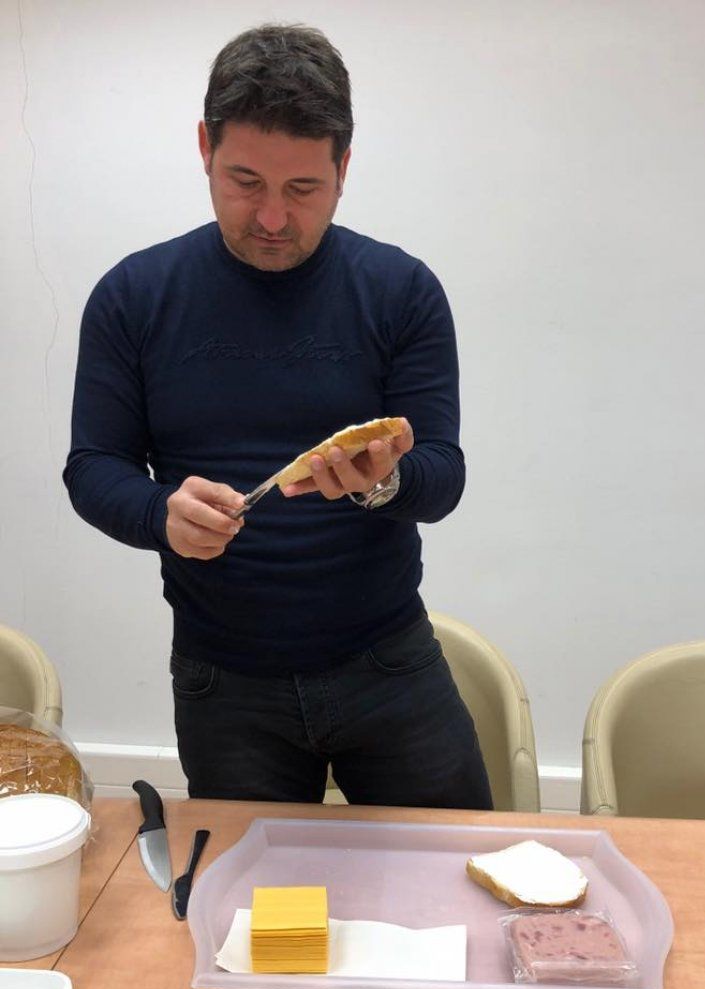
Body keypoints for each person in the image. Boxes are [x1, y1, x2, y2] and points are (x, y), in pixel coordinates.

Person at [64, 23, 493, 810]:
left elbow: (444, 473)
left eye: (302, 189)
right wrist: (162, 514)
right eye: (244, 181)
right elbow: (93, 467)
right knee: (249, 889)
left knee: (451, 866)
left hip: (389, 662)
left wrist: (384, 482)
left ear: (344, 169)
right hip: (224, 682)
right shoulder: (133, 297)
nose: (270, 217)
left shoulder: (401, 291)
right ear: (204, 147)